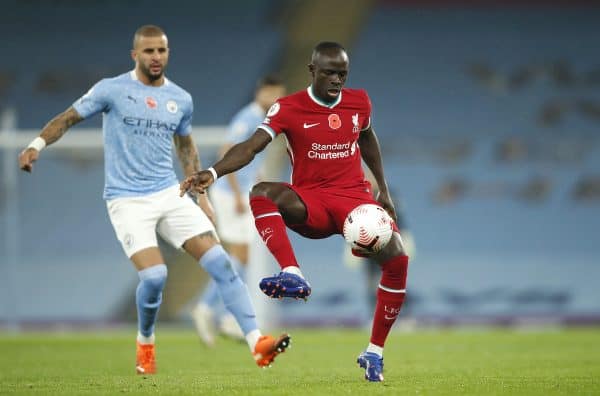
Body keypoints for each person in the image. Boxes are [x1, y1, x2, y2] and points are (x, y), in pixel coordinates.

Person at [18, 25, 289, 375]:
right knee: (156, 277)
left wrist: (200, 195)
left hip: (170, 194)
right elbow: (68, 117)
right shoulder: (111, 90)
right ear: (135, 55)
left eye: (161, 51)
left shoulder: (180, 99)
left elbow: (185, 146)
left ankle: (257, 343)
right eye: (148, 51)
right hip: (127, 201)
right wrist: (35, 145)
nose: (156, 57)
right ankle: (145, 341)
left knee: (222, 263)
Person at [181, 41, 410, 382]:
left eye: (342, 74)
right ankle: (292, 272)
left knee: (398, 260)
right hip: (311, 202)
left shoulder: (359, 101)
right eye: (330, 73)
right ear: (312, 71)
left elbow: (367, 138)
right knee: (262, 192)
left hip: (356, 203)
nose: (337, 81)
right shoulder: (288, 108)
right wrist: (213, 173)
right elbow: (251, 147)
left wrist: (384, 191)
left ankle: (374, 352)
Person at [190, 75, 286, 346]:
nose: (274, 99)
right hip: (231, 195)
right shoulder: (249, 116)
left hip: (240, 193)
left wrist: (255, 178)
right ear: (260, 93)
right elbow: (226, 151)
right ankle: (212, 310)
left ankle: (216, 311)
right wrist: (236, 193)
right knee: (242, 255)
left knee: (243, 256)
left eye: (278, 94)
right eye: (271, 93)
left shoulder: (264, 119)